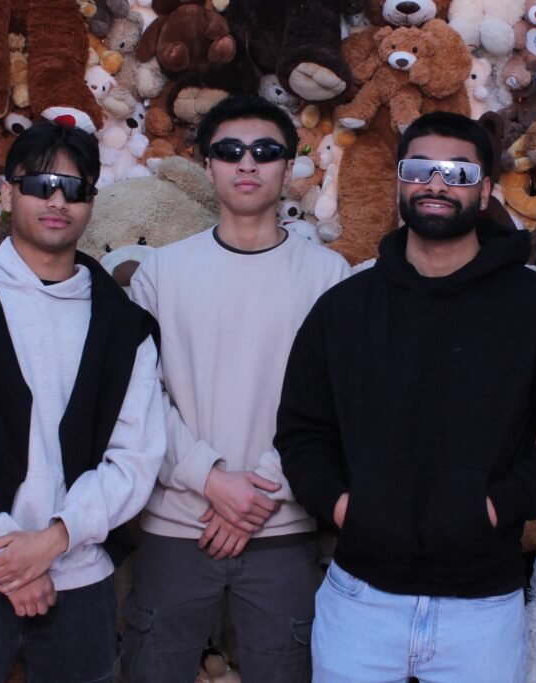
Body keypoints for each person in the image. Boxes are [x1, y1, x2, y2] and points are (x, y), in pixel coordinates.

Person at [274, 111, 536, 683]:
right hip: (359, 603)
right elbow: (303, 432)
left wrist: (492, 508)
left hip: (482, 612)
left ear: (483, 192)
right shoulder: (345, 309)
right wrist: (344, 508)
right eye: (420, 168)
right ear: (401, 182)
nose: (435, 183)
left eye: (456, 171)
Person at [0, 122, 165, 682]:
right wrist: (9, 562)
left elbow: (135, 456)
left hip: (79, 580)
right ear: (9, 191)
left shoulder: (125, 326)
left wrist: (53, 541)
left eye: (75, 187)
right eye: (40, 183)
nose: (57, 199)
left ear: (92, 200)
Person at [121, 96, 351, 683]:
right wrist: (209, 478)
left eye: (265, 151)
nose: (247, 163)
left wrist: (258, 492)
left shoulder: (328, 277)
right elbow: (136, 396)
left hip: (281, 526)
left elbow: (338, 402)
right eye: (230, 151)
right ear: (207, 165)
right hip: (178, 523)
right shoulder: (160, 273)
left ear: (289, 165)